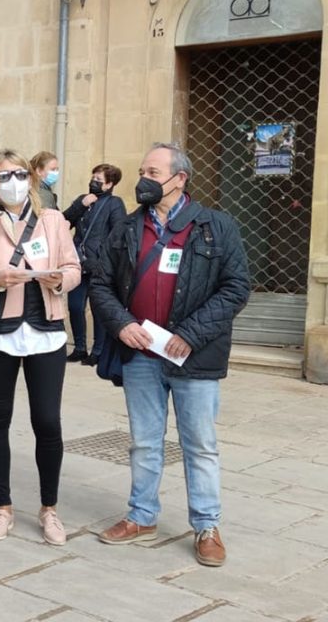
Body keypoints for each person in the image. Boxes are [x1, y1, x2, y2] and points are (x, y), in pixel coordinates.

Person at [89, 143, 249, 567]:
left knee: (200, 444)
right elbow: (100, 284)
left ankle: (207, 526)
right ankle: (142, 516)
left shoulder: (217, 226)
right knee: (144, 441)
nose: (144, 179)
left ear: (180, 178)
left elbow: (236, 287)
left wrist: (191, 335)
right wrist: (122, 324)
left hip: (194, 357)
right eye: (142, 170)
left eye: (154, 172)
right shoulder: (125, 228)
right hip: (141, 355)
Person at [0, 149, 81, 546]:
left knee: (47, 421)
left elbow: (75, 266)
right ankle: (3, 507)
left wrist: (60, 280)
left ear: (31, 178)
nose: (13, 181)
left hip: (46, 330)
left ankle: (49, 510)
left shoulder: (53, 220)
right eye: (4, 175)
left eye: (20, 174)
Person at [62, 163, 127, 365]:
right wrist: (81, 205)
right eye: (93, 178)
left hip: (99, 264)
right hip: (78, 262)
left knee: (98, 308)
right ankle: (80, 347)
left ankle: (98, 351)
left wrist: (103, 259)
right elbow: (63, 222)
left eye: (99, 181)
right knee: (74, 306)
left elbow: (118, 234)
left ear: (109, 185)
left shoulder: (114, 203)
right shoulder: (83, 200)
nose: (94, 183)